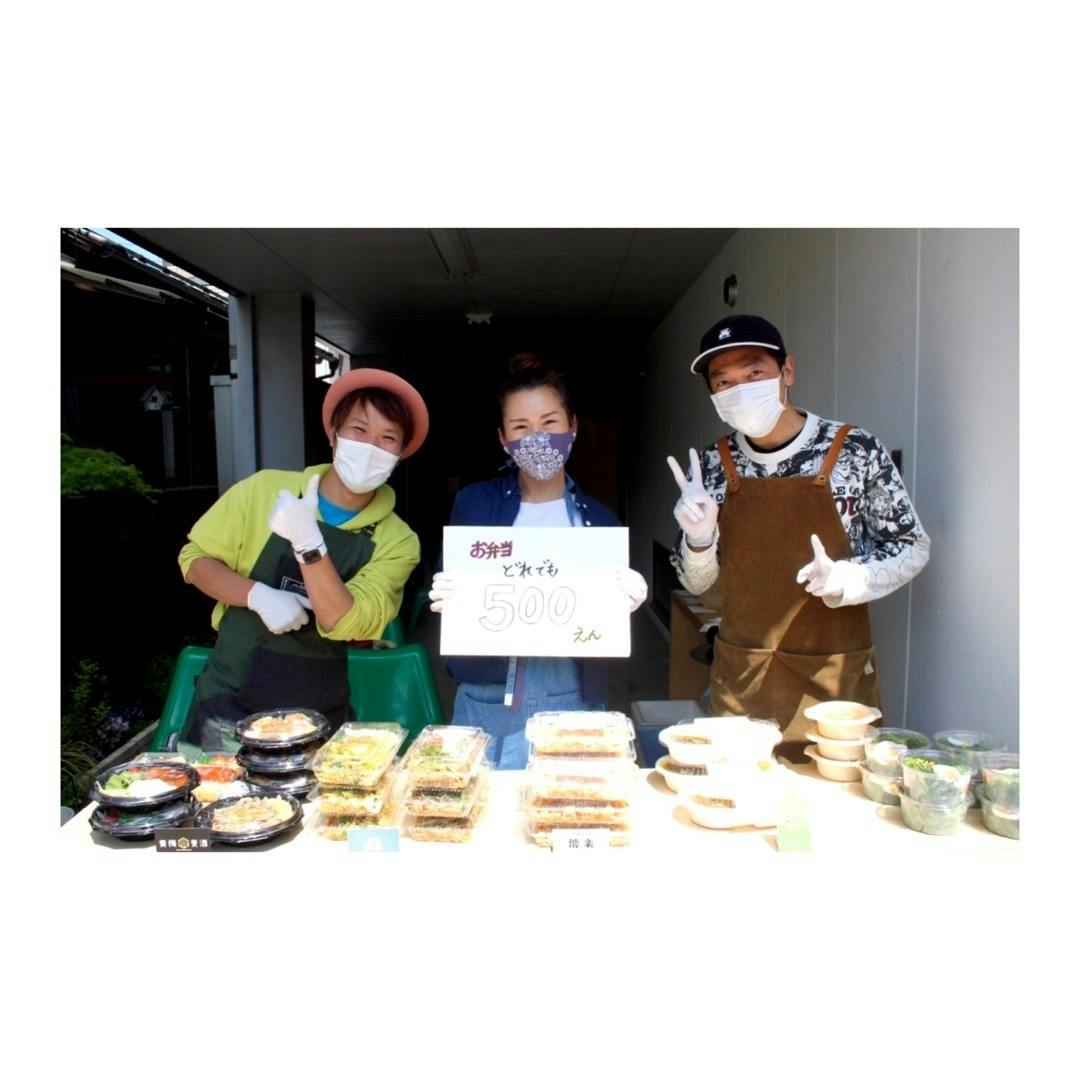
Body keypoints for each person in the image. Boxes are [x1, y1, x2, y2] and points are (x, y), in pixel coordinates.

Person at [667, 313, 930, 758]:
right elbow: (698, 584)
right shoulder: (712, 465)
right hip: (742, 674)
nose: (739, 389)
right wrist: (698, 542)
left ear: (786, 371)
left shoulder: (854, 451)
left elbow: (912, 545)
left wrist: (849, 578)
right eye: (724, 381)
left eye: (754, 373)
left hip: (835, 680)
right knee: (738, 788)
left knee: (834, 790)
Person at [178, 368, 428, 751]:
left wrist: (309, 543)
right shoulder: (264, 490)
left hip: (318, 717)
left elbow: (346, 622)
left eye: (388, 438)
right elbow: (195, 561)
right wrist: (257, 595)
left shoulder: (397, 541)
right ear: (333, 435)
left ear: (400, 455)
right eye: (359, 430)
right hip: (225, 704)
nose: (370, 447)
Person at [428, 354, 648, 769]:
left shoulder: (599, 520)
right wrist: (445, 591)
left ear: (572, 427)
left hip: (571, 692)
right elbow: (451, 576)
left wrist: (624, 600)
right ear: (503, 438)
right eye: (521, 427)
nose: (537, 438)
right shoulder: (474, 503)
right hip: (485, 691)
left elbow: (604, 618)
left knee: (565, 797)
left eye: (549, 423)